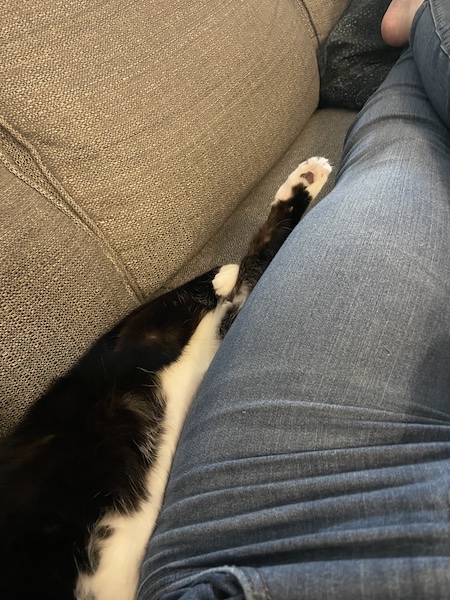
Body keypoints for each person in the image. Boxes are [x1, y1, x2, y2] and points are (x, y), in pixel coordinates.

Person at [138, 1, 450, 598]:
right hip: (345, 512)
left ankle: (419, 19)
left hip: (293, 534)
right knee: (401, 141)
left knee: (401, 140)